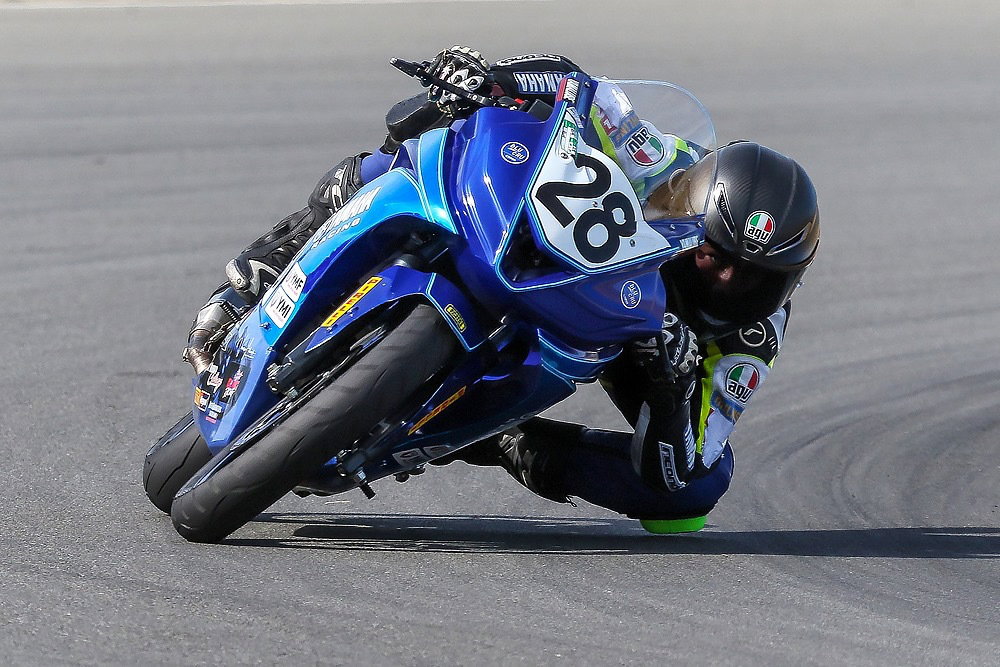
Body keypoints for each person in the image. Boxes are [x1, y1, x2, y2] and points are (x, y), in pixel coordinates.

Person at [183, 47, 820, 533]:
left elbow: (684, 461)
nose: (725, 280)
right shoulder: (668, 163)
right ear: (694, 209)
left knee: (694, 493)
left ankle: (495, 436)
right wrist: (495, 79)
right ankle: (258, 274)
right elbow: (584, 91)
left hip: (641, 345)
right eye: (713, 256)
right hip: (573, 258)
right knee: (408, 145)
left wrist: (671, 387)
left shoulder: (751, 340)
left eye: (753, 276)